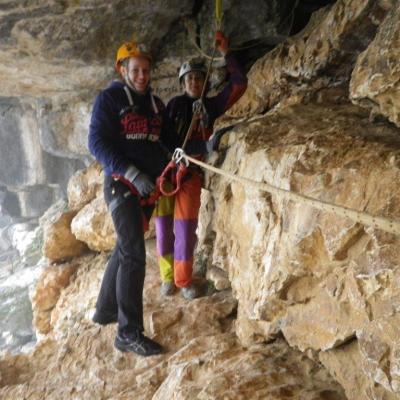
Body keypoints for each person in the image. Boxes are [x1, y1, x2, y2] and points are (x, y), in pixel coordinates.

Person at [88, 41, 181, 356]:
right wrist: (131, 171)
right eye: (135, 70)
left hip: (148, 189)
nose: (142, 76)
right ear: (122, 70)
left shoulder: (156, 104)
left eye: (146, 70)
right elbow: (97, 142)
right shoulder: (110, 99)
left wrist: (178, 158)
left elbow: (167, 141)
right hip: (120, 184)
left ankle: (105, 309)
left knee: (125, 244)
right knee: (134, 252)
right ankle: (127, 333)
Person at [154, 31, 248, 300]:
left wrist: (226, 54)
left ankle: (183, 281)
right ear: (183, 83)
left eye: (199, 78)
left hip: (191, 174)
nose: (195, 82)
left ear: (205, 82)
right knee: (163, 229)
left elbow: (239, 83)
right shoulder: (174, 106)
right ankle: (167, 277)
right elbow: (166, 140)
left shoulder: (210, 105)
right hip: (168, 172)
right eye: (190, 78)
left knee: (184, 228)